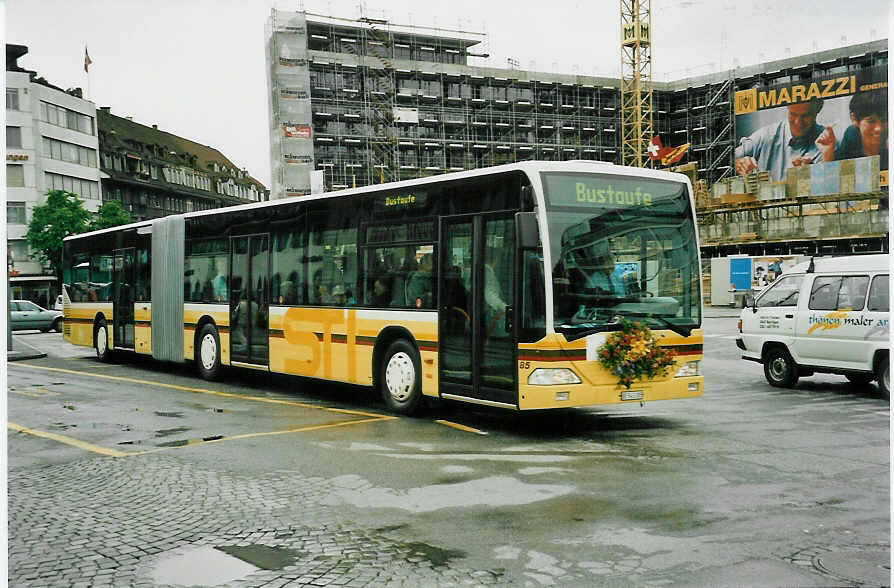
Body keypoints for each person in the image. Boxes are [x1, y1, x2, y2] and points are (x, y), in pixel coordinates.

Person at [735, 99, 827, 182]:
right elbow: (727, 159)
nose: (798, 122)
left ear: (819, 107)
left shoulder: (826, 144)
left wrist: (814, 177)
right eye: (793, 114)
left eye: (806, 115)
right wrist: (738, 163)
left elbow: (828, 187)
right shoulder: (766, 136)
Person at [818, 89, 888, 170]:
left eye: (885, 120)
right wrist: (828, 154)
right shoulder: (851, 135)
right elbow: (835, 178)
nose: (879, 128)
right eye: (871, 121)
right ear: (854, 119)